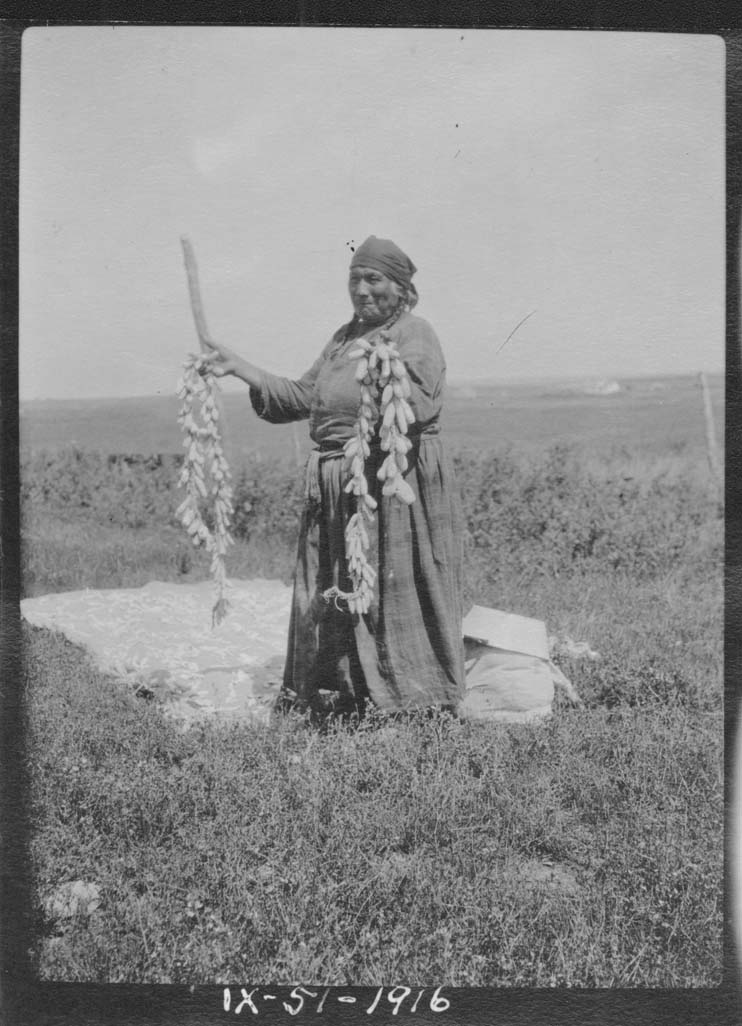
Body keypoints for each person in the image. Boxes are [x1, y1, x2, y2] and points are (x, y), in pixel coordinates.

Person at [202, 235, 465, 717]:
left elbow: (420, 404)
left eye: (374, 279)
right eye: (354, 280)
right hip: (339, 483)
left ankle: (413, 698)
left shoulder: (415, 333)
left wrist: (384, 368)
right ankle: (344, 694)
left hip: (388, 482)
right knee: (339, 588)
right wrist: (240, 368)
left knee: (391, 588)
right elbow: (303, 397)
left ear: (402, 288)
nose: (362, 290)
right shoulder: (345, 338)